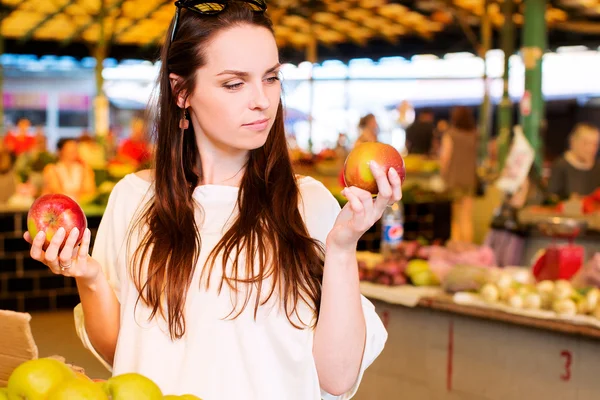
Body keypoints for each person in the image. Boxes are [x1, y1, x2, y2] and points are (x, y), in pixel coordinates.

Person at [24, 2, 402, 398]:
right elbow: (124, 352)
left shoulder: (309, 203)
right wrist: (91, 277)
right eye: (234, 83)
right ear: (181, 90)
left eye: (270, 78)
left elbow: (336, 378)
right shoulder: (134, 200)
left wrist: (342, 248)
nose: (262, 100)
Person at [440, 106, 478, 243]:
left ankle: (458, 247)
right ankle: (468, 246)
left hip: (454, 180)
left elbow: (445, 158)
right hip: (469, 179)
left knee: (455, 217)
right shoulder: (474, 134)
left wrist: (443, 176)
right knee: (467, 217)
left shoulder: (450, 134)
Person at [547, 123, 600, 200]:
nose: (590, 148)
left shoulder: (598, 167)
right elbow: (552, 196)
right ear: (573, 141)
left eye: (595, 144)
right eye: (586, 143)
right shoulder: (561, 165)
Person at [42, 138, 96, 202]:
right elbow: (56, 191)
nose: (72, 152)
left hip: (81, 205)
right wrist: (76, 193)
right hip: (58, 206)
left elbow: (90, 190)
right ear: (60, 151)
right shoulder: (51, 169)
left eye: (74, 149)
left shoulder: (84, 169)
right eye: (69, 149)